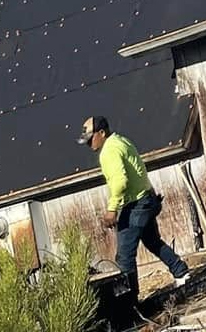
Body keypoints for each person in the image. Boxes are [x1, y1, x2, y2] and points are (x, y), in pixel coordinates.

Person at [80, 114, 192, 304]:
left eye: (90, 138)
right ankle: (181, 272)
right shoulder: (121, 140)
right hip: (146, 198)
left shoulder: (109, 151)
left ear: (101, 132)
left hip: (136, 203)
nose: (89, 143)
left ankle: (129, 303)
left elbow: (120, 182)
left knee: (124, 256)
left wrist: (111, 210)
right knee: (152, 241)